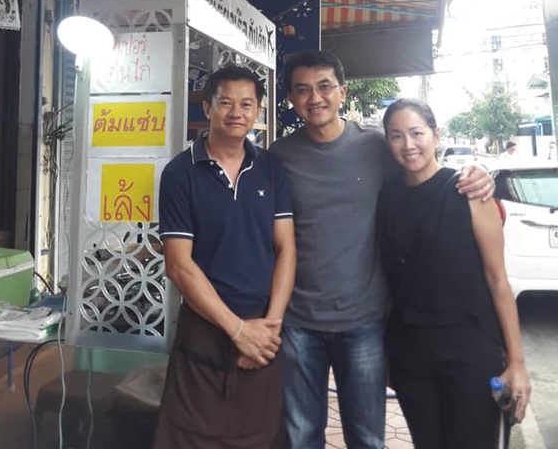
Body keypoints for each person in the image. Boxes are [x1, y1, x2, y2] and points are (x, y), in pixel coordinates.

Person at [269, 51, 495, 449]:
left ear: (342, 91)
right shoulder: (279, 157)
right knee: (301, 434)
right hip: (299, 320)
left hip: (364, 320)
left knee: (368, 436)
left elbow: (422, 173)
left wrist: (477, 175)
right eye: (302, 90)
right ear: (290, 99)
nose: (315, 98)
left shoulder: (376, 146)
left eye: (324, 87)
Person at [153, 65, 296, 449]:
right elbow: (179, 265)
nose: (237, 112)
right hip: (204, 327)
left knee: (261, 436)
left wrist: (269, 328)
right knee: (190, 436)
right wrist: (236, 331)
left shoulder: (271, 168)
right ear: (208, 106)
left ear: (259, 110)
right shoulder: (180, 173)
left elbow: (286, 249)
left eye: (247, 104)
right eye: (226, 102)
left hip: (263, 325)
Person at [377, 98, 531, 449]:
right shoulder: (386, 197)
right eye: (396, 136)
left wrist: (516, 361)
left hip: (470, 352)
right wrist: (389, 353)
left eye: (417, 133)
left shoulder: (468, 192)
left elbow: (497, 279)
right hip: (411, 353)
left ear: (436, 134)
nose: (408, 145)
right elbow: (392, 283)